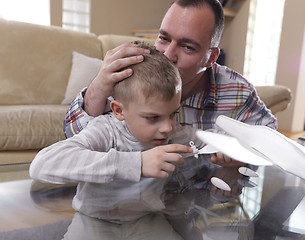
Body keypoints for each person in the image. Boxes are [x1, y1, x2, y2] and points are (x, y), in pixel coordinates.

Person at [64, 0, 277, 165]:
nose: (168, 55)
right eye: (164, 38)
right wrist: (97, 89)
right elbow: (74, 141)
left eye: (187, 47)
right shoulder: (131, 74)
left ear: (211, 58)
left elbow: (271, 142)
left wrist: (241, 154)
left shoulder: (238, 91)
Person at [30, 41, 206, 222]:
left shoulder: (176, 134)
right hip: (93, 221)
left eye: (173, 114)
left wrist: (227, 153)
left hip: (146, 221)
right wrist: (138, 164)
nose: (167, 127)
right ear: (119, 111)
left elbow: (215, 140)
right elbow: (41, 165)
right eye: (153, 117)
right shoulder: (106, 130)